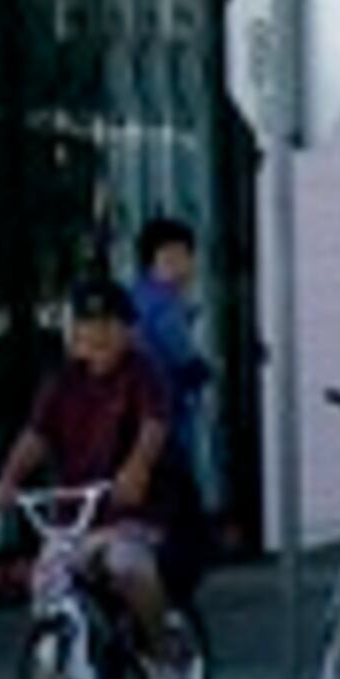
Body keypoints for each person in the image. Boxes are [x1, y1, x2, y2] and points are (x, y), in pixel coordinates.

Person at [0, 277, 190, 679]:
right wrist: (8, 480)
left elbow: (154, 426)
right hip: (76, 511)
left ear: (127, 330)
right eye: (85, 324)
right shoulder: (62, 380)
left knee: (127, 565)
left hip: (131, 510)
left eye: (106, 324)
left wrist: (136, 470)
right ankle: (52, 662)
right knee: (48, 577)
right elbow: (36, 437)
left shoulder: (141, 374)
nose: (93, 334)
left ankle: (162, 649)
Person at [127, 214, 217, 599]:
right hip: (164, 427)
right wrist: (206, 371)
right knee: (182, 514)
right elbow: (184, 360)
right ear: (161, 257)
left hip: (133, 427)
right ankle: (171, 589)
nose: (188, 265)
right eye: (181, 255)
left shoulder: (133, 298)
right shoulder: (163, 305)